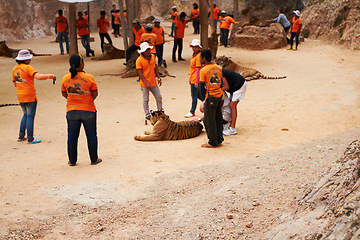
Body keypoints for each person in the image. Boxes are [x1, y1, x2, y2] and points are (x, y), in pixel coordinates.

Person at [61, 54, 102, 166]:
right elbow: (95, 93)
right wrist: (87, 99)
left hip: (71, 110)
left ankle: (72, 161)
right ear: (81, 64)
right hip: (88, 110)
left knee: (72, 136)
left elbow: (64, 93)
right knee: (91, 135)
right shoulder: (89, 77)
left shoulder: (65, 78)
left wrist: (74, 99)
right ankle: (94, 159)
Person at [12, 50, 56, 144]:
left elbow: (15, 83)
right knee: (30, 116)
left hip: (20, 95)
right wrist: (50, 76)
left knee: (25, 115)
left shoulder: (15, 69)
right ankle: (30, 138)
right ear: (26, 59)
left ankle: (21, 135)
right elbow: (38, 77)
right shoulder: (28, 68)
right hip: (30, 95)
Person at [199, 49, 224, 148]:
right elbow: (220, 82)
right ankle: (219, 139)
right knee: (218, 118)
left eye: (200, 57)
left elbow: (201, 87)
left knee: (209, 120)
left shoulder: (203, 70)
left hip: (211, 97)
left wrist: (204, 100)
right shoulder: (218, 68)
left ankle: (212, 142)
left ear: (204, 58)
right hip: (219, 96)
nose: (200, 59)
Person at [136, 42, 163, 120]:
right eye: (146, 50)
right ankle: (147, 114)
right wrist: (146, 83)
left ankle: (160, 112)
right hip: (145, 84)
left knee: (159, 97)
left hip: (153, 82)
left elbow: (156, 68)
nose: (148, 51)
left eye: (148, 49)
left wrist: (159, 78)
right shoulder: (139, 60)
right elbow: (140, 74)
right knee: (146, 99)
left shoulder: (153, 57)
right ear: (143, 52)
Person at [221, 69, 247, 135]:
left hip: (239, 85)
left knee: (232, 105)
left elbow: (226, 87)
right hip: (234, 87)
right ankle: (229, 124)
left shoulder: (220, 73)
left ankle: (233, 128)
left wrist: (217, 90)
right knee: (230, 104)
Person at [185, 39, 203, 118]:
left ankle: (192, 111)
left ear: (198, 47)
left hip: (196, 78)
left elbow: (198, 69)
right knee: (198, 95)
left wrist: (196, 81)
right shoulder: (194, 54)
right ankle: (207, 102)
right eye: (193, 46)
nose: (194, 48)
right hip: (193, 77)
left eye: (196, 47)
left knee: (194, 96)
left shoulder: (198, 56)